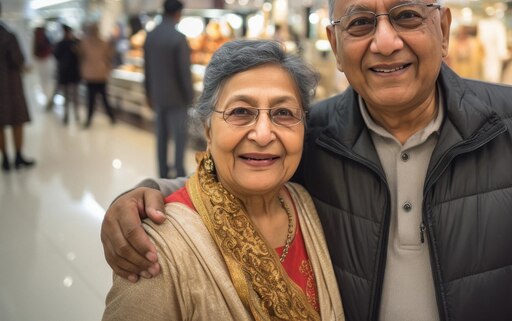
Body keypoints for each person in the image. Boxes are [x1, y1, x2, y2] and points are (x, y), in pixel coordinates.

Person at [100, 0, 512, 321]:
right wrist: (141, 196)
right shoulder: (314, 135)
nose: (386, 41)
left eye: (405, 16)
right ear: (334, 41)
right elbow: (235, 174)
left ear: (441, 29)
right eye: (360, 23)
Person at [102, 39, 343, 321]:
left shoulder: (306, 205)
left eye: (283, 113)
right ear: (208, 130)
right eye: (241, 112)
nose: (263, 135)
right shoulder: (158, 248)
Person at [143, 0, 194, 178]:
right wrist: (190, 96)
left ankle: (162, 173)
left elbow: (147, 67)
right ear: (178, 13)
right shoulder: (178, 38)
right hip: (177, 97)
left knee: (161, 136)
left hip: (158, 95)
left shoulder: (150, 35)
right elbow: (184, 72)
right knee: (180, 137)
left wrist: (148, 93)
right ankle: (179, 173)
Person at [0, 1, 36, 171]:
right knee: (17, 121)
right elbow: (18, 60)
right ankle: (18, 156)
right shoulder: (8, 36)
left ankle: (5, 158)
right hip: (11, 86)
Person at [79, 22, 116, 128]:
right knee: (104, 98)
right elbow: (109, 56)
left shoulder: (85, 43)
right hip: (100, 73)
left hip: (91, 74)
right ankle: (111, 117)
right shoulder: (102, 42)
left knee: (91, 99)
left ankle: (89, 119)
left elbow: (81, 57)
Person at [53, 24, 81, 125]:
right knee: (68, 95)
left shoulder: (74, 43)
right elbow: (56, 56)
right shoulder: (62, 44)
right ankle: (67, 115)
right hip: (66, 73)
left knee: (74, 95)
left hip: (71, 73)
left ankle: (76, 115)